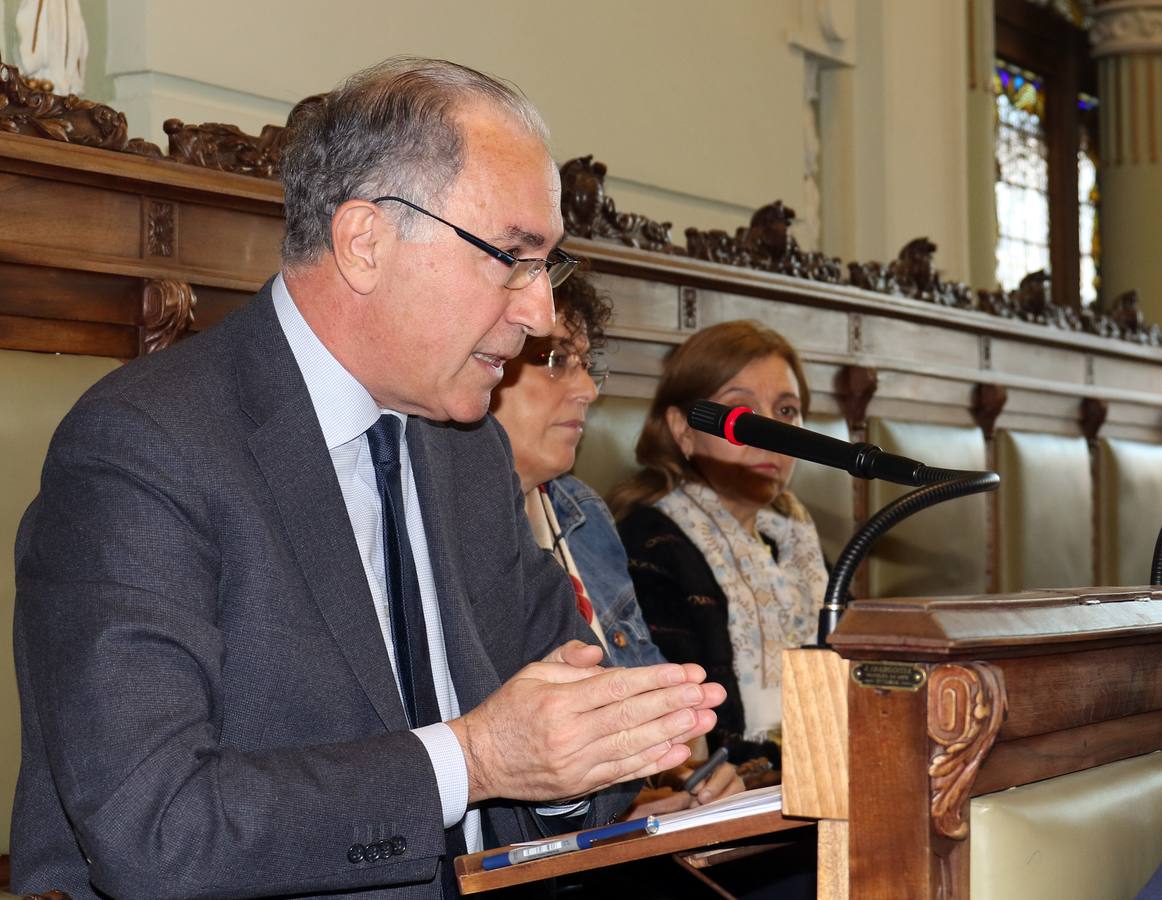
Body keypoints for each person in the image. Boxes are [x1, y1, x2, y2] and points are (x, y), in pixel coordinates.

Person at [10, 57, 726, 900]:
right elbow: (156, 828)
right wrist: (475, 761)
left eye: (546, 266)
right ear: (364, 243)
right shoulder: (144, 446)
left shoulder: (465, 448)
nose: (537, 313)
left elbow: (559, 733)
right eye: (512, 257)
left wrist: (580, 762)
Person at [489, 273, 743, 814]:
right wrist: (627, 809)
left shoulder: (581, 510)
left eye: (585, 363)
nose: (589, 390)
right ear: (487, 358)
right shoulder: (441, 523)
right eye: (556, 359)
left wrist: (701, 780)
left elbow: (660, 707)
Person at [609, 321, 829, 767]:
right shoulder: (649, 546)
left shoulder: (794, 537)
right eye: (741, 411)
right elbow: (683, 729)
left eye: (786, 411)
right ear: (682, 430)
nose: (770, 430)